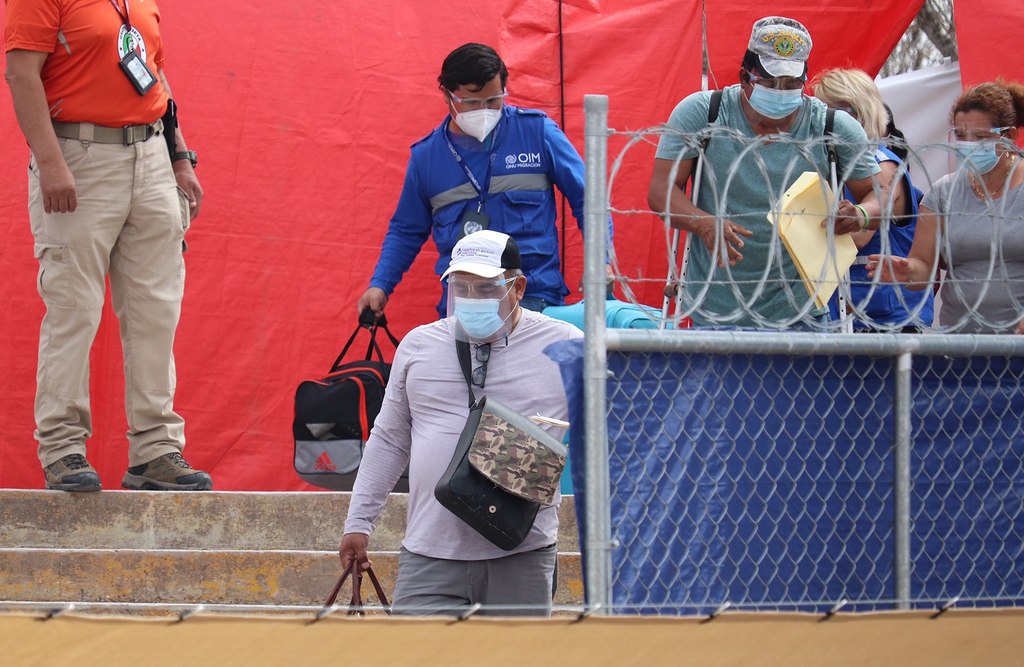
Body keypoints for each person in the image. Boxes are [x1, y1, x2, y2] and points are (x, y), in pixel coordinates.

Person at [4, 0, 212, 491]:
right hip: (79, 155)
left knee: (156, 310)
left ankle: (156, 450)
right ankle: (63, 448)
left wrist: (180, 156)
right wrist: (51, 163)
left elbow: (153, 72)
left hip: (151, 154)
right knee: (73, 307)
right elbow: (20, 74)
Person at [339, 230, 582, 616]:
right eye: (461, 288)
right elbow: (389, 440)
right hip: (430, 553)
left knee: (517, 650)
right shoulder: (419, 346)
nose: (472, 300)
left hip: (521, 552)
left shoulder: (565, 345)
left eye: (486, 289)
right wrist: (358, 522)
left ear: (518, 288)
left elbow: (601, 433)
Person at [648, 16, 885, 328]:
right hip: (717, 309)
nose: (780, 92)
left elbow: (879, 198)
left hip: (803, 313)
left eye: (791, 84)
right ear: (744, 77)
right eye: (770, 83)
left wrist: (860, 214)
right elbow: (661, 192)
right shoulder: (704, 114)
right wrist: (703, 223)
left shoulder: (831, 126)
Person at [356, 42, 611, 320]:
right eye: (471, 102)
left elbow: (589, 200)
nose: (484, 110)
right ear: (447, 95)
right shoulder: (426, 158)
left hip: (531, 296)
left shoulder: (537, 133)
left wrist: (600, 260)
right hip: (463, 303)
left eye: (493, 100)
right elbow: (406, 230)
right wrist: (380, 285)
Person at [867, 80, 1024, 334]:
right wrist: (906, 271)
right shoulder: (944, 192)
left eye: (981, 137)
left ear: (1009, 136)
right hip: (960, 342)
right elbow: (923, 266)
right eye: (960, 136)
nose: (968, 144)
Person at [812, 67, 934, 332]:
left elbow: (855, 237)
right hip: (847, 317)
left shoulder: (883, 166)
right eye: (821, 112)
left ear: (863, 111)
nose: (827, 122)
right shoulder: (832, 167)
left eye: (837, 112)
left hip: (888, 322)